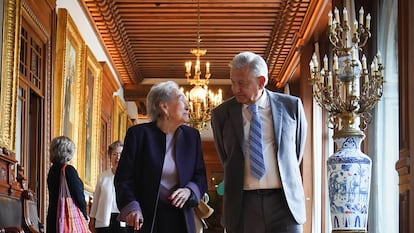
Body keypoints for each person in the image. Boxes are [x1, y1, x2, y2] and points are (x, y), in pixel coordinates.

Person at [211, 51, 308, 233]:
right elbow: (226, 156)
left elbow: (296, 152)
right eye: (233, 82)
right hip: (243, 204)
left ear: (261, 81)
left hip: (285, 202)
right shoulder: (221, 114)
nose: (235, 89)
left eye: (242, 83)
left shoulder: (291, 107)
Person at [114, 81, 208, 233]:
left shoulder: (192, 136)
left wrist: (189, 191)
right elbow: (124, 179)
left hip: (181, 217)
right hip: (146, 218)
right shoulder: (138, 135)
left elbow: (200, 176)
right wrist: (132, 207)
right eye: (180, 98)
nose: (187, 103)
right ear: (164, 107)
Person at [46, 136, 88, 233]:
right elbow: (79, 196)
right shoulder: (68, 170)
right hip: (67, 218)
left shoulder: (52, 170)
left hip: (53, 217)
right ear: (69, 151)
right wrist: (85, 215)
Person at [89, 141, 129, 233]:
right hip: (103, 221)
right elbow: (96, 200)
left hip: (122, 220)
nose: (118, 158)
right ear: (110, 157)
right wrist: (92, 219)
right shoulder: (102, 177)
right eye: (114, 154)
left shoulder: (129, 177)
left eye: (121, 154)